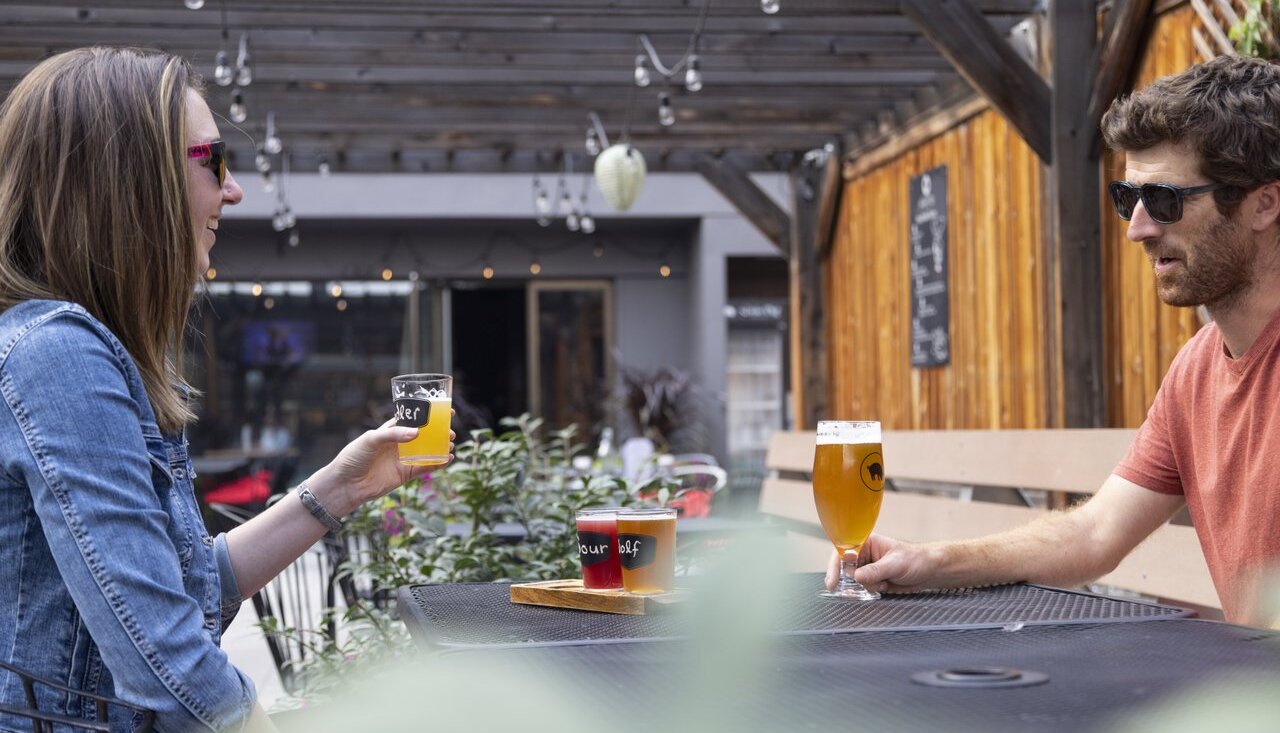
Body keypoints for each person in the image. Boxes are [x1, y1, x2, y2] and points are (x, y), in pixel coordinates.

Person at [0, 47, 451, 732]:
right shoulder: (60, 356)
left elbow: (181, 593)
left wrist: (341, 487)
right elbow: (164, 660)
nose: (233, 189)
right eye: (211, 159)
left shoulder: (81, 350)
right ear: (131, 180)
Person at [827, 54, 1280, 626]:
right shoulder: (1196, 370)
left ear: (1264, 203)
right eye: (1127, 200)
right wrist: (933, 560)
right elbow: (1095, 532)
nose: (1138, 228)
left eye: (1164, 200)